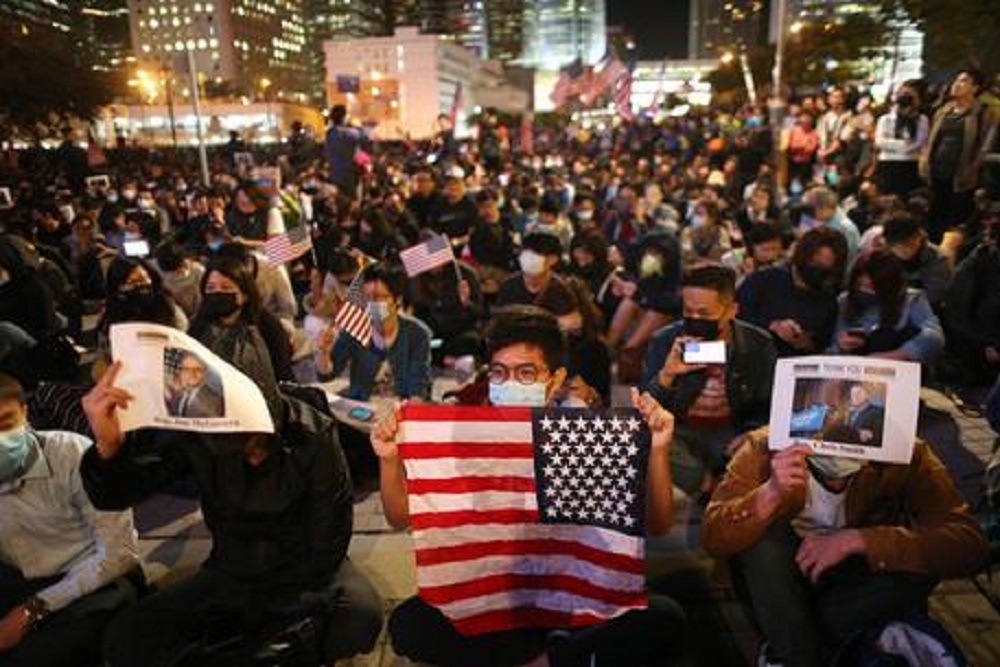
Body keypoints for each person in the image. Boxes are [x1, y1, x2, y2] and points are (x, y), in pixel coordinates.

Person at [373, 307, 686, 667]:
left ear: (554, 380)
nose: (508, 384)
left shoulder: (582, 433)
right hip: (496, 594)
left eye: (526, 374)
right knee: (410, 624)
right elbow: (400, 517)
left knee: (664, 618)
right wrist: (388, 459)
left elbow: (658, 524)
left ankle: (540, 657)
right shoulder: (467, 433)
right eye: (499, 373)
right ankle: (555, 658)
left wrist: (659, 450)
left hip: (568, 593)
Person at [79, 362, 383, 667]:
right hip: (232, 569)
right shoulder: (198, 434)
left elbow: (326, 545)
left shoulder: (312, 433)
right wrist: (109, 446)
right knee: (126, 637)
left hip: (305, 576)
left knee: (358, 617)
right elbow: (120, 492)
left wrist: (260, 620)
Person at [701, 427, 990, 667]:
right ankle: (812, 651)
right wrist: (770, 494)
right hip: (786, 583)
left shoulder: (907, 453)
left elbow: (970, 545)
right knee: (762, 542)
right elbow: (714, 536)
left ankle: (793, 646)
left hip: (857, 582)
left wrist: (861, 540)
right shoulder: (763, 446)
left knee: (920, 557)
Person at [0, 373, 142, 667]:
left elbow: (120, 554)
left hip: (97, 578)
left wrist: (33, 609)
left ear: (25, 414)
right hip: (22, 579)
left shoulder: (71, 453)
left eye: (5, 423)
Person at [641, 264, 777, 496]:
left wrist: (752, 432)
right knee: (643, 437)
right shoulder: (665, 340)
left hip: (732, 430)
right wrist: (667, 375)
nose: (694, 319)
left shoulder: (757, 344)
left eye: (704, 314)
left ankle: (723, 484)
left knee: (769, 445)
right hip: (682, 431)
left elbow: (769, 404)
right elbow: (646, 409)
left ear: (731, 310)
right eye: (688, 311)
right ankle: (710, 489)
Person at [315, 262, 432, 402]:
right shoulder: (355, 328)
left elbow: (418, 386)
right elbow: (327, 375)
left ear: (397, 300)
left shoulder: (417, 334)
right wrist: (324, 353)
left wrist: (408, 414)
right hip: (362, 410)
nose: (371, 304)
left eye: (378, 297)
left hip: (400, 408)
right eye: (367, 297)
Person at [738, 227, 848, 357]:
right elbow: (737, 320)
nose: (817, 271)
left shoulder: (828, 301)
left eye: (825, 268)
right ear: (802, 256)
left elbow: (821, 344)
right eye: (814, 263)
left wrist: (805, 343)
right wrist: (772, 326)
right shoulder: (762, 281)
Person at [188, 257, 295, 383]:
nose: (217, 293)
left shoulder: (268, 327)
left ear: (244, 295)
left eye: (226, 288)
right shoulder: (198, 328)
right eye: (210, 288)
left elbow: (283, 375)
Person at [922, 68, 999, 243]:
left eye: (964, 81)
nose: (956, 84)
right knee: (935, 216)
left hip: (963, 175)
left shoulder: (984, 113)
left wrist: (973, 168)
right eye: (956, 80)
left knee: (957, 219)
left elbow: (985, 145)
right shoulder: (943, 110)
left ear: (975, 87)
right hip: (937, 172)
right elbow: (932, 139)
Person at [830, 249, 944, 365]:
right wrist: (843, 346)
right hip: (854, 367)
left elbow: (934, 337)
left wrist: (897, 355)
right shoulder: (845, 300)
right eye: (859, 285)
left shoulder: (912, 300)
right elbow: (834, 344)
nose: (864, 291)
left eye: (871, 287)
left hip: (896, 368)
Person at [496, 232, 581, 334]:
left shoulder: (562, 290)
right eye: (525, 251)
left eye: (536, 253)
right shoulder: (508, 286)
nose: (528, 257)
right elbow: (500, 321)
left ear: (553, 260)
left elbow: (573, 327)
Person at [880, 211, 952, 310]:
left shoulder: (938, 258)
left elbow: (934, 296)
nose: (906, 251)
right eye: (898, 247)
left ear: (919, 236)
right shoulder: (884, 254)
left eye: (910, 244)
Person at [874, 81, 930, 197]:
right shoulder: (885, 119)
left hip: (910, 165)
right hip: (887, 164)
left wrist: (893, 145)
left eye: (910, 95)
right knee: (886, 198)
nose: (906, 98)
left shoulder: (921, 119)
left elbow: (919, 142)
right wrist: (904, 145)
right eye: (903, 94)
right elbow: (879, 142)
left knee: (905, 198)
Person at [798, 187, 861, 261]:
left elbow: (847, 261)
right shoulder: (815, 218)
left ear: (824, 208)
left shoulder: (846, 229)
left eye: (810, 209)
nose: (807, 213)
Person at [324, 104, 367, 198]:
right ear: (344, 117)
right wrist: (359, 126)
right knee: (353, 202)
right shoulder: (349, 133)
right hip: (349, 176)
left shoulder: (329, 133)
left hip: (334, 175)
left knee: (340, 202)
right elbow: (365, 138)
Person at [169, 351, 224, 418]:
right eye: (187, 369)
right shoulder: (179, 394)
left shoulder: (215, 401)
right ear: (182, 372)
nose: (192, 374)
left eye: (197, 369)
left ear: (205, 372)